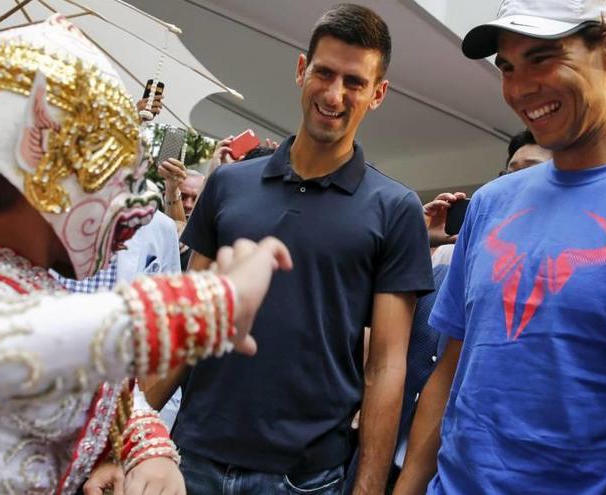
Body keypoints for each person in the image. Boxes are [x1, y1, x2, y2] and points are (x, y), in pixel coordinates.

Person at [0, 16, 291, 495]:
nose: (133, 211)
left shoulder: (28, 289)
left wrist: (146, 447)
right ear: (46, 177)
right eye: (116, 181)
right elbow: (41, 343)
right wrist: (210, 302)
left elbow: (108, 386)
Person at [153, 4, 434, 494]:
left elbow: (387, 366)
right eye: (324, 73)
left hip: (302, 478)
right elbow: (187, 319)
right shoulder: (228, 186)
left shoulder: (396, 208)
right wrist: (128, 431)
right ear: (301, 70)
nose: (334, 94)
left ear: (378, 93)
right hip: (191, 457)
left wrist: (367, 488)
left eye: (354, 82)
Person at [394, 0, 606, 493]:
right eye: (507, 66)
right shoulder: (491, 203)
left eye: (542, 58)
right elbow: (450, 374)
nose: (519, 88)